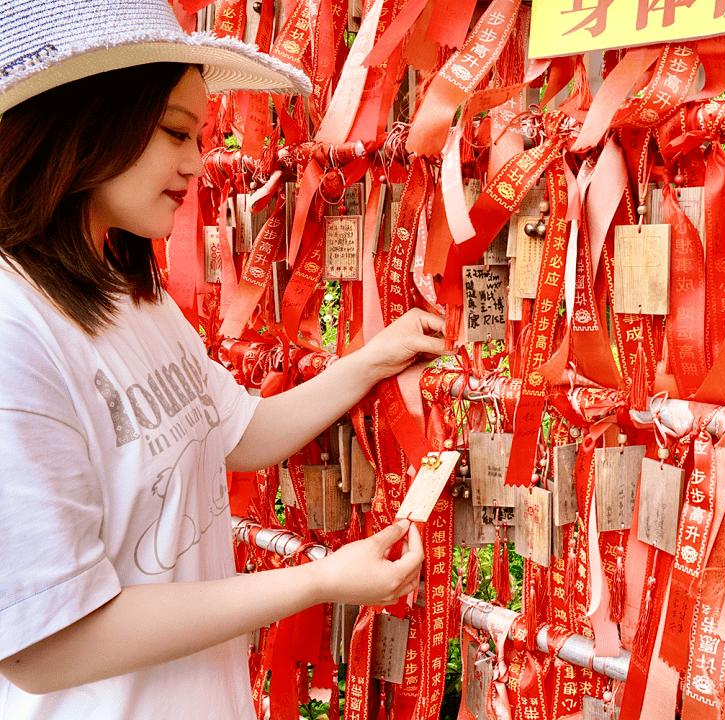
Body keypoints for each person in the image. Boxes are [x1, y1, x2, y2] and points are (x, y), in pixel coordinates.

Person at [0, 2, 445, 717]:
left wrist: (374, 359)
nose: (197, 161)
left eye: (199, 135)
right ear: (87, 122)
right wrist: (316, 581)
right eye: (177, 131)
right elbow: (45, 647)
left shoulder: (127, 293)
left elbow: (238, 434)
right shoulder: (16, 332)